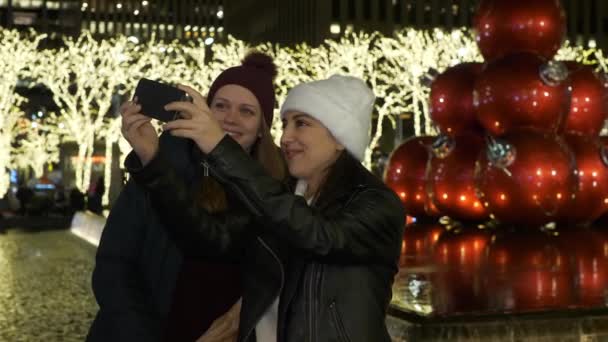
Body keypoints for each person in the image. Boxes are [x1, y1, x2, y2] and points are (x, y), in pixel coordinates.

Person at [123, 74, 405, 341]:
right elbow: (211, 239)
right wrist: (153, 161)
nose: (285, 137)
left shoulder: (377, 203)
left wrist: (219, 146)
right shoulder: (283, 196)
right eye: (284, 124)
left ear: (339, 138)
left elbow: (319, 235)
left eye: (301, 123)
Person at [87, 51, 286, 342]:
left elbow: (215, 241)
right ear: (205, 110)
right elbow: (113, 265)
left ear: (261, 129)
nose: (230, 118)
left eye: (247, 111)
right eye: (220, 106)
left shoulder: (269, 186)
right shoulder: (163, 159)